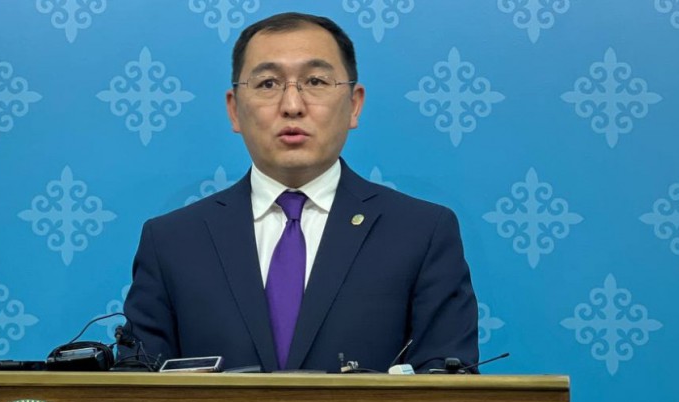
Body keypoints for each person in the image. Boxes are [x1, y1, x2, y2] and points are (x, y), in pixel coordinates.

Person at [121, 12, 478, 373]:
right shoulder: (172, 242)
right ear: (234, 110)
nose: (292, 106)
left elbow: (449, 389)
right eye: (267, 84)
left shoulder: (421, 233)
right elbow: (134, 392)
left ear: (354, 104)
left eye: (316, 81)